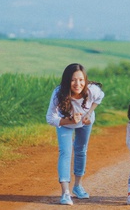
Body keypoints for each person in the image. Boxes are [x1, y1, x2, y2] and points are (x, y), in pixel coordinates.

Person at [46, 63, 105, 206]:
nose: (77, 84)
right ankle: (65, 193)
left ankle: (78, 186)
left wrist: (89, 113)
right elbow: (50, 118)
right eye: (73, 80)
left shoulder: (92, 90)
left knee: (81, 150)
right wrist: (69, 120)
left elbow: (99, 98)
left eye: (81, 80)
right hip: (65, 123)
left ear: (85, 80)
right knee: (65, 152)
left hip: (85, 122)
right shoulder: (58, 93)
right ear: (67, 80)